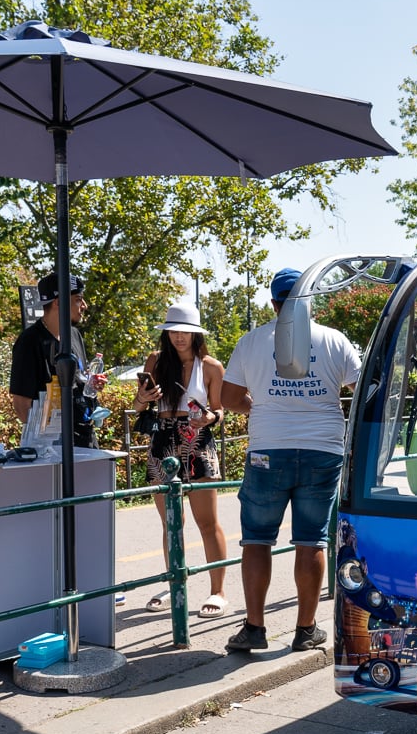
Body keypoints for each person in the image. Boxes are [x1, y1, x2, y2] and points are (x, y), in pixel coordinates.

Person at [220, 268, 360, 652]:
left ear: (273, 303)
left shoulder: (251, 341)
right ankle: (305, 629)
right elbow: (362, 387)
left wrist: (261, 406)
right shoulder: (334, 339)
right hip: (323, 450)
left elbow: (228, 399)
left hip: (268, 448)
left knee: (256, 540)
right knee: (312, 541)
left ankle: (254, 628)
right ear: (309, 301)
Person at [134, 302, 230, 617]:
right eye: (173, 331)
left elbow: (219, 410)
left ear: (196, 334)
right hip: (163, 438)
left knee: (207, 521)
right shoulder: (155, 361)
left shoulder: (211, 366)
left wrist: (209, 418)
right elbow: (138, 408)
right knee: (172, 523)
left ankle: (218, 591)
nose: (179, 337)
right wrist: (141, 399)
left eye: (185, 331)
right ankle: (176, 584)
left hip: (198, 439)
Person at [9, 272, 102, 448]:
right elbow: (22, 406)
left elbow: (79, 380)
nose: (84, 306)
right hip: (52, 448)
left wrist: (91, 384)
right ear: (58, 302)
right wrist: (47, 444)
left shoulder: (74, 335)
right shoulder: (30, 341)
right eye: (78, 299)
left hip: (85, 439)